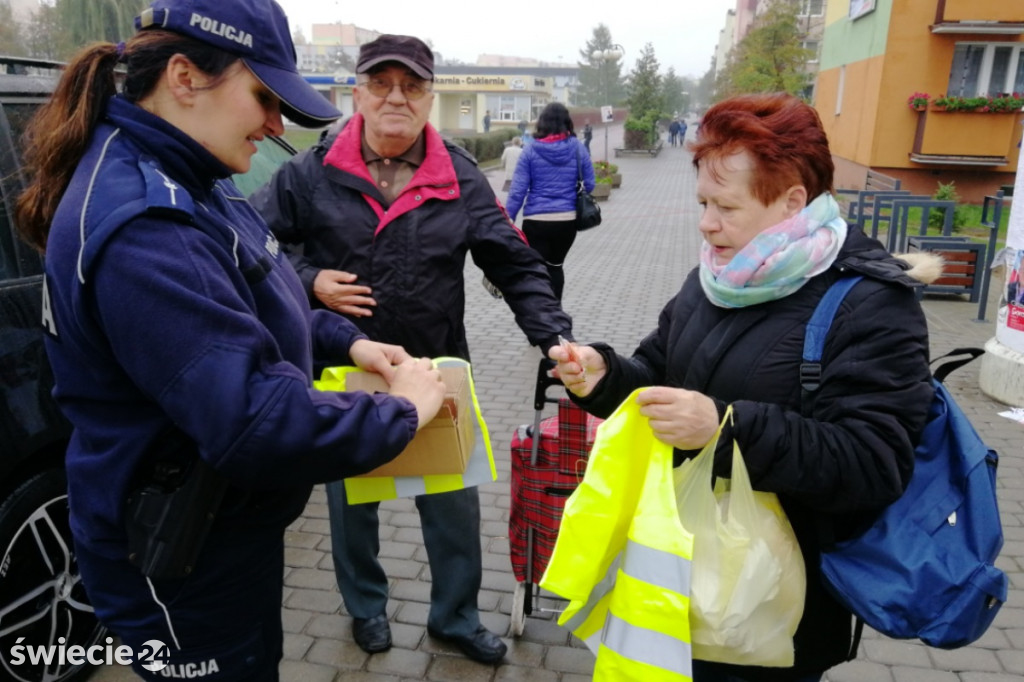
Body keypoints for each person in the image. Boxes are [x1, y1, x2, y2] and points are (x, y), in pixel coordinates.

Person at [12, 1, 447, 680]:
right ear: (185, 77)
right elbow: (257, 421)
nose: (276, 125)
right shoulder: (146, 227)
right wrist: (405, 412)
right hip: (182, 557)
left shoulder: (192, 175)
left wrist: (347, 343)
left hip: (222, 526)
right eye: (263, 97)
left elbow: (255, 296)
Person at [549, 93, 938, 682]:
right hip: (674, 583)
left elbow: (874, 463)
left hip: (770, 610)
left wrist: (726, 428)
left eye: (725, 206)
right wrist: (604, 376)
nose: (706, 222)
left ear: (792, 202)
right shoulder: (717, 277)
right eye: (703, 201)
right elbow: (659, 374)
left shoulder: (871, 305)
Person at [251, 34, 573, 666]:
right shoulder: (309, 173)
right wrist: (307, 279)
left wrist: (552, 335)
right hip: (348, 371)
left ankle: (454, 617)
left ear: (430, 96)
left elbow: (515, 262)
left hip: (436, 368)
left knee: (452, 502)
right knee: (354, 504)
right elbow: (252, 245)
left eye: (412, 85)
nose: (396, 96)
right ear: (356, 93)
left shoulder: (457, 174)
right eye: (380, 82)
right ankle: (366, 607)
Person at [505, 101, 596, 301]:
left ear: (542, 123)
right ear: (567, 122)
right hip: (567, 221)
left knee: (537, 271)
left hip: (536, 221)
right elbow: (590, 184)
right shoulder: (578, 148)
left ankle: (540, 315)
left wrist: (507, 218)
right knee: (556, 267)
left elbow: (518, 190)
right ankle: (556, 314)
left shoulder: (529, 150)